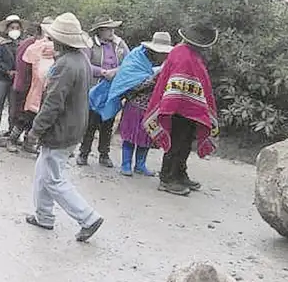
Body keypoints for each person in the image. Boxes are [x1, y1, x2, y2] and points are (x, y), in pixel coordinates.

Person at [23, 12, 104, 242]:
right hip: (75, 126)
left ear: (59, 40)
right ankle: (44, 216)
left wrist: (36, 130)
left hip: (60, 129)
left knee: (53, 178)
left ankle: (88, 217)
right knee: (43, 171)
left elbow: (53, 103)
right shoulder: (81, 60)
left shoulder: (64, 65)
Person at [143, 23, 220, 196]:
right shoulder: (181, 54)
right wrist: (176, 103)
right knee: (176, 142)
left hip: (190, 107)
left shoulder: (193, 54)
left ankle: (180, 173)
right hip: (176, 107)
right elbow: (175, 82)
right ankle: (167, 178)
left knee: (185, 143)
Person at [90, 32, 173, 176]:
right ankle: (126, 165)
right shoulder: (136, 59)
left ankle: (140, 165)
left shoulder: (166, 64)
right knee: (130, 136)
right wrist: (153, 78)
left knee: (146, 137)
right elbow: (130, 85)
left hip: (152, 108)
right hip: (134, 106)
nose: (163, 55)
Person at [78, 17, 130, 167]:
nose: (111, 31)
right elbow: (84, 64)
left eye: (112, 28)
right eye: (108, 28)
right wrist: (102, 72)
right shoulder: (90, 44)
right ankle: (83, 153)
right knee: (91, 123)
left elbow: (129, 62)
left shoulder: (119, 44)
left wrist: (116, 71)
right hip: (94, 90)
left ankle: (104, 154)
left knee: (108, 123)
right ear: (100, 30)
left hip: (113, 90)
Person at [0, 17, 55, 151]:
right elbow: (22, 66)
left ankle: (28, 142)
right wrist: (24, 85)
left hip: (43, 87)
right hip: (28, 86)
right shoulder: (29, 45)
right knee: (23, 115)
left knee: (35, 116)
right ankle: (12, 140)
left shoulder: (52, 46)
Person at [0, 14, 23, 143]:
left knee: (14, 108)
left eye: (17, 28)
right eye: (12, 27)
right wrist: (8, 71)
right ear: (7, 29)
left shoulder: (22, 44)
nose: (15, 30)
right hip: (0, 78)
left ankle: (12, 132)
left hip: (15, 80)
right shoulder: (0, 43)